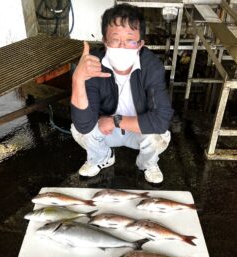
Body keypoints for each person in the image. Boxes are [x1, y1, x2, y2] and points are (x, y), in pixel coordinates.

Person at [70, 3, 173, 184]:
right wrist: (77, 79)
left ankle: (147, 163)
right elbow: (84, 124)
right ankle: (102, 157)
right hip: (106, 131)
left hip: (138, 128)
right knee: (78, 130)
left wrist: (115, 120)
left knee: (160, 135)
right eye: (115, 39)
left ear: (140, 44)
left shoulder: (151, 65)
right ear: (104, 41)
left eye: (130, 40)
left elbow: (161, 119)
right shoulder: (93, 64)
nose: (123, 46)